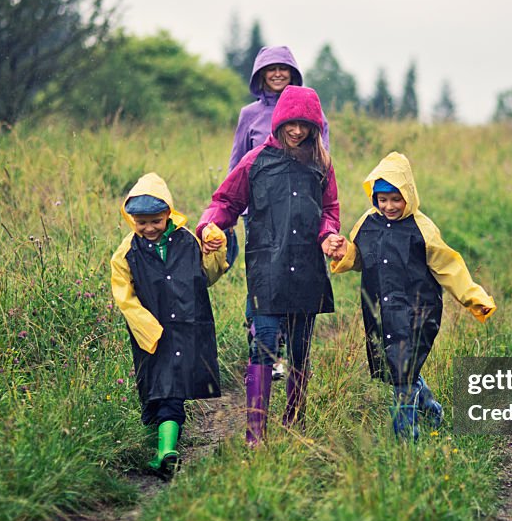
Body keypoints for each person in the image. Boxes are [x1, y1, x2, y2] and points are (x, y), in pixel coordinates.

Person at [198, 85, 342, 445]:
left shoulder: (321, 164)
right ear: (279, 122)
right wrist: (210, 226)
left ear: (315, 127)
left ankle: (294, 422)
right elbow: (225, 202)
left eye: (305, 125)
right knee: (262, 343)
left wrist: (328, 235)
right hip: (267, 268)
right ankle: (255, 433)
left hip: (308, 268)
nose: (297, 131)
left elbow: (330, 211)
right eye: (291, 123)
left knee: (300, 349)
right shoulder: (255, 161)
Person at [330, 152, 496, 440]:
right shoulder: (368, 222)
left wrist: (472, 297)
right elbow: (361, 257)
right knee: (395, 367)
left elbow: (449, 266)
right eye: (383, 199)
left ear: (408, 194)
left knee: (402, 373)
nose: (389, 206)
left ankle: (407, 441)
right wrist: (345, 252)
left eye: (396, 198)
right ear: (374, 198)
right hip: (380, 311)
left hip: (418, 311)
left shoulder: (423, 228)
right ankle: (430, 407)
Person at [110, 173, 228, 479]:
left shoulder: (188, 241)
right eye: (141, 222)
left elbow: (208, 276)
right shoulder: (126, 252)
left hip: (188, 326)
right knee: (155, 389)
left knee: (171, 389)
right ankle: (161, 442)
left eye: (156, 221)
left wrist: (216, 249)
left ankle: (166, 452)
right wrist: (146, 326)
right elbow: (124, 296)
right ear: (131, 219)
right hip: (152, 333)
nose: (149, 228)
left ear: (168, 215)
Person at [225, 46, 330, 382]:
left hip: (298, 218)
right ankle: (261, 351)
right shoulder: (249, 114)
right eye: (270, 70)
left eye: (283, 69)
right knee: (262, 287)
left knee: (295, 286)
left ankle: (280, 357)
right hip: (261, 214)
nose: (277, 75)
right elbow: (238, 163)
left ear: (293, 73)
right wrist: (232, 212)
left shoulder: (313, 114)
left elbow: (320, 161)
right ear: (260, 75)